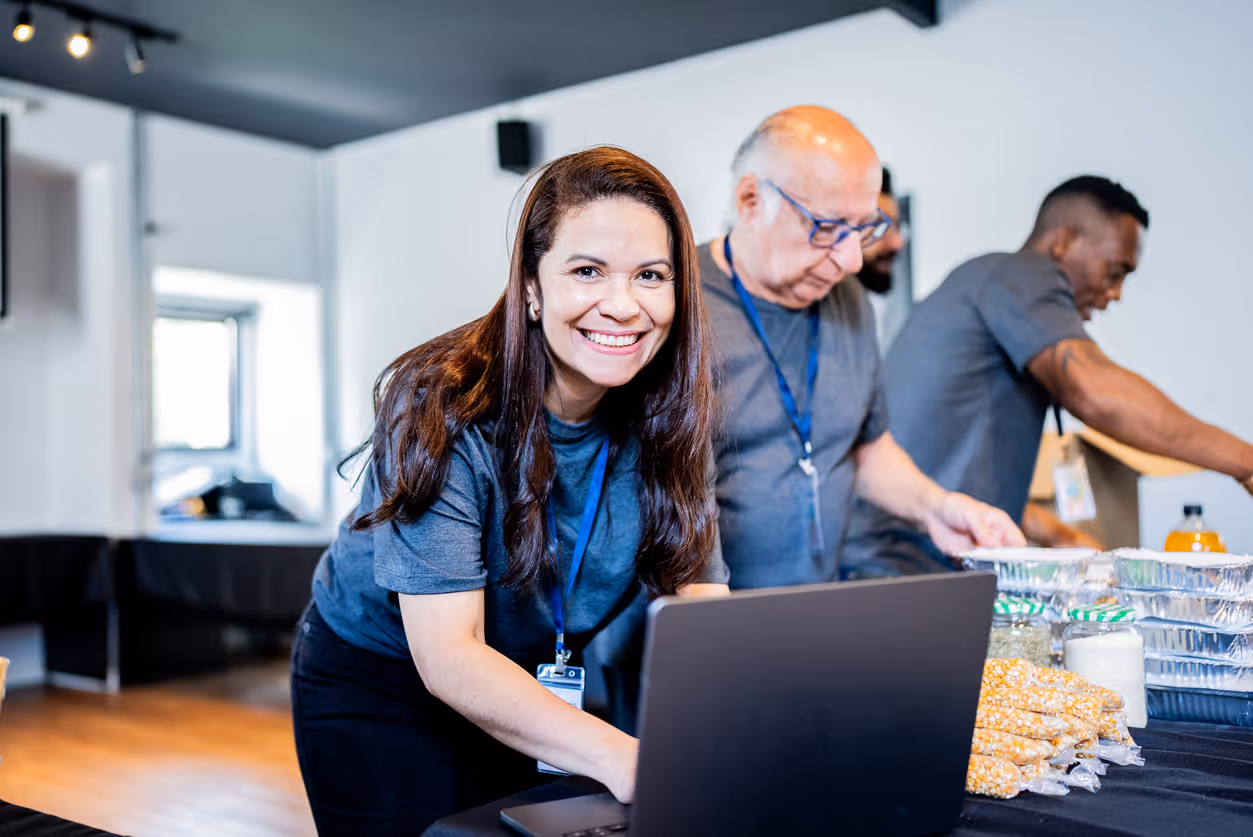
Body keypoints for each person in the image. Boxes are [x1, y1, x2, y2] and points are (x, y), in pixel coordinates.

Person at [291, 147, 730, 835]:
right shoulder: (439, 403)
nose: (622, 305)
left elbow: (699, 602)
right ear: (531, 285)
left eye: (651, 275)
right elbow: (449, 655)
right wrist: (625, 758)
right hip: (383, 678)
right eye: (587, 271)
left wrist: (751, 730)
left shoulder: (671, 413)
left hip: (521, 675)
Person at [843, 175, 1253, 577]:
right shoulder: (1023, 274)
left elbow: (953, 469)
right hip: (900, 568)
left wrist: (1055, 533)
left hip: (897, 558)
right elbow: (1094, 392)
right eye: (1115, 271)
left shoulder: (986, 287)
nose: (1116, 294)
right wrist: (1244, 462)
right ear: (1063, 242)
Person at [698, 106, 1024, 592]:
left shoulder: (846, 299)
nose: (851, 261)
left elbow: (866, 447)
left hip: (815, 613)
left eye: (864, 228)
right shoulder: (674, 303)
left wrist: (936, 508)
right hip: (700, 623)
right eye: (826, 228)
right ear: (750, 200)